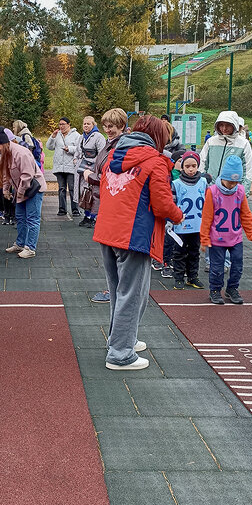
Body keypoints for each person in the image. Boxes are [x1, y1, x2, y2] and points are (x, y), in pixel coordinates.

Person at [93, 115, 183, 371]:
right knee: (132, 295)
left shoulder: (113, 156)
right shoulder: (155, 162)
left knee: (118, 292)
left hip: (108, 231)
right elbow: (163, 204)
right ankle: (120, 353)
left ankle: (120, 339)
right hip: (133, 235)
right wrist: (179, 216)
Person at [83, 107, 128, 304]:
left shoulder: (120, 147)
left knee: (113, 250)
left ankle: (116, 290)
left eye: (112, 127)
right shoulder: (111, 144)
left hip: (112, 202)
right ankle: (115, 289)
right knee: (109, 249)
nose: (107, 130)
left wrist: (89, 176)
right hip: (104, 200)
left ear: (122, 126)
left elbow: (113, 177)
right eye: (106, 126)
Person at [200, 155, 252, 305]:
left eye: (235, 182)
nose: (232, 185)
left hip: (235, 237)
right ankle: (215, 289)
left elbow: (245, 214)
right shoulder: (212, 192)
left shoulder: (239, 191)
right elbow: (206, 217)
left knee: (237, 265)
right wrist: (204, 239)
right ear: (223, 177)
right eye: (229, 181)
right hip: (217, 239)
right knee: (217, 267)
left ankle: (232, 288)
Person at [0, 127, 47, 259]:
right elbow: (6, 173)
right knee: (20, 216)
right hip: (21, 189)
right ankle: (20, 243)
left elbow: (27, 175)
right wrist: (6, 189)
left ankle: (30, 248)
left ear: (3, 143)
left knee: (32, 218)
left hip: (33, 189)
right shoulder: (5, 153)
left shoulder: (21, 153)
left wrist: (20, 193)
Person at [171, 151, 208, 290]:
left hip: (197, 224)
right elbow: (173, 203)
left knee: (194, 252)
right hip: (181, 225)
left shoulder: (203, 182)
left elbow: (207, 202)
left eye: (194, 166)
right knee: (179, 252)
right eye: (187, 166)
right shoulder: (176, 184)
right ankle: (179, 277)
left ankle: (193, 276)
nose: (191, 169)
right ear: (182, 167)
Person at [75, 116, 106, 227]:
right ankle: (86, 215)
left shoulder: (99, 137)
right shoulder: (81, 137)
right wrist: (76, 159)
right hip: (81, 169)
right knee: (83, 192)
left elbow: (102, 154)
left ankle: (93, 217)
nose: (86, 126)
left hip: (93, 169)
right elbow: (78, 152)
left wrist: (95, 167)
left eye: (88, 124)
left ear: (94, 125)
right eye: (84, 124)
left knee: (93, 193)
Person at [46, 116, 81, 216]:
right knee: (61, 188)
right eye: (60, 124)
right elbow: (49, 147)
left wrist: (69, 148)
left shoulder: (76, 135)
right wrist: (52, 136)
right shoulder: (57, 135)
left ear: (69, 125)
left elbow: (79, 149)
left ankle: (75, 209)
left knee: (72, 188)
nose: (61, 126)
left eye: (63, 124)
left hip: (70, 166)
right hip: (59, 166)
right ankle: (62, 209)